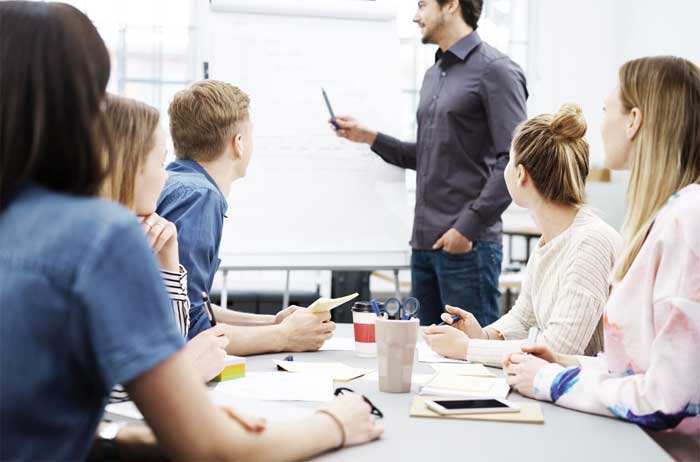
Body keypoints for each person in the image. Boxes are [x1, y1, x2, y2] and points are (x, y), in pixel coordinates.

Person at [0, 3, 382, 460]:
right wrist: (334, 423)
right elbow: (209, 448)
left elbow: (32, 417)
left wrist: (141, 437)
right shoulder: (98, 236)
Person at [504, 56, 700, 445]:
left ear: (634, 120)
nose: (599, 123)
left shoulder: (687, 220)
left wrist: (551, 380)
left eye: (606, 108)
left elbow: (666, 400)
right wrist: (570, 365)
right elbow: (643, 371)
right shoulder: (665, 218)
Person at [333, 0, 528, 326]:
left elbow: (514, 159)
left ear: (451, 5)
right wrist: (369, 137)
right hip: (424, 244)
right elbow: (428, 154)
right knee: (426, 357)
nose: (415, 15)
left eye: (423, 5)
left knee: (472, 363)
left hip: (467, 248)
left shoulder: (496, 70)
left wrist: (466, 229)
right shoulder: (433, 74)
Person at [423, 104, 621, 366]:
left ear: (520, 174)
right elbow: (525, 317)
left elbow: (557, 348)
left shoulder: (590, 243)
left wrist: (468, 348)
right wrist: (484, 335)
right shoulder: (552, 239)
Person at [157, 80, 336, 355]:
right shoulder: (199, 197)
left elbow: (189, 306)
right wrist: (284, 336)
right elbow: (191, 332)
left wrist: (272, 322)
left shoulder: (176, 183)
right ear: (238, 144)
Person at [102, 94, 229, 382]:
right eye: (161, 163)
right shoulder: (84, 255)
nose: (166, 177)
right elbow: (103, 389)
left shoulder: (127, 239)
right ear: (129, 168)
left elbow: (166, 347)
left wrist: (169, 263)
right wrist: (183, 374)